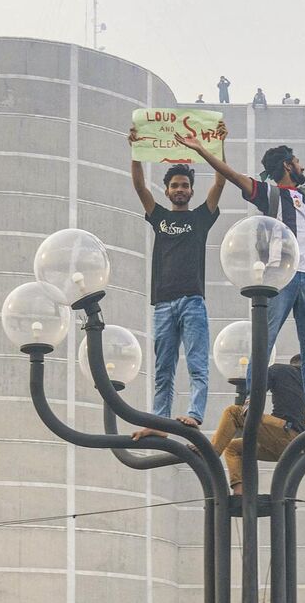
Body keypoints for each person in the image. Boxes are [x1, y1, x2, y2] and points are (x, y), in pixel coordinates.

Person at [176, 123, 305, 428]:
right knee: (265, 339)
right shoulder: (268, 193)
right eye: (298, 161)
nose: (302, 166)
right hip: (280, 279)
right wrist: (203, 149)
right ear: (287, 165)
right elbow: (232, 175)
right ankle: (250, 398)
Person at [127, 122, 230, 432]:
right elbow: (140, 187)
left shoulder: (200, 217)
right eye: (175, 186)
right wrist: (135, 150)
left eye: (185, 185)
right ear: (168, 190)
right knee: (163, 368)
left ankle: (194, 414)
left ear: (191, 190)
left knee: (197, 364)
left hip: (193, 302)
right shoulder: (159, 217)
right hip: (163, 304)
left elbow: (221, 183)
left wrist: (217, 145)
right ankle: (158, 421)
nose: (180, 190)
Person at [141, 353, 305, 495]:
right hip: (295, 449)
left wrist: (248, 407)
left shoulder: (280, 370)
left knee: (233, 413)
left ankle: (210, 453)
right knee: (234, 447)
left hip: (283, 429)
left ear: (294, 364)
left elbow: (257, 392)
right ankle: (239, 492)